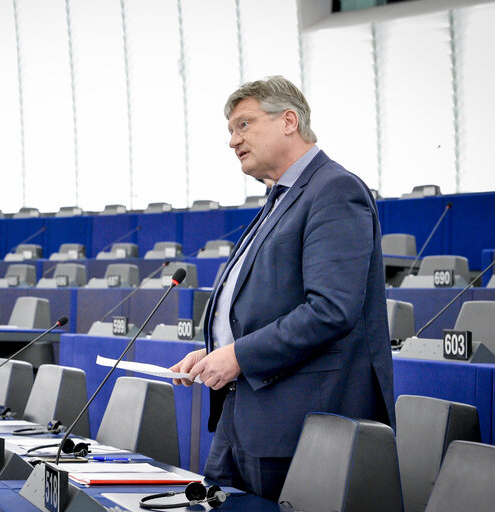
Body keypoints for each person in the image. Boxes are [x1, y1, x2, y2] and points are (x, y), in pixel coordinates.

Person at [170, 75, 395, 500]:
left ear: (289, 120)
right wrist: (218, 347)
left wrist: (238, 355)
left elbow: (331, 309)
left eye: (244, 125)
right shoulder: (277, 197)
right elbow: (269, 306)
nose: (233, 140)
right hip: (246, 419)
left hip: (299, 424)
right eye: (231, 131)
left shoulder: (334, 190)